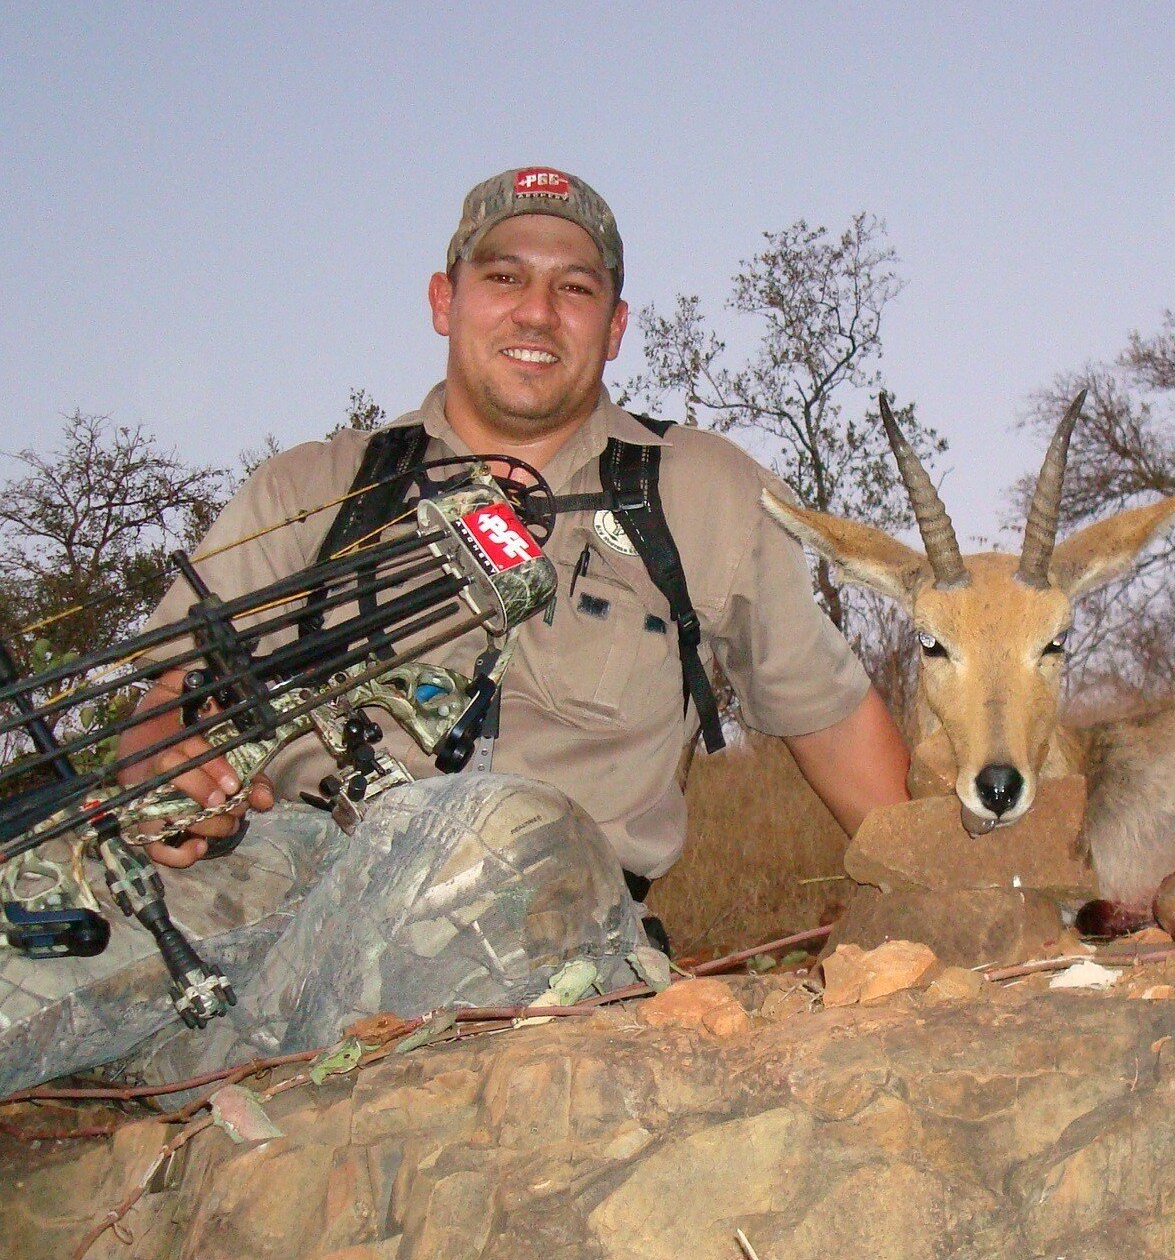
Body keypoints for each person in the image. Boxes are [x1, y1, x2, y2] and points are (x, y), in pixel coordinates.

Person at [0, 166, 910, 1096]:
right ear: (447, 301)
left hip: (537, 903)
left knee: (501, 830)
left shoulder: (701, 488)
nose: (536, 313)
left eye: (574, 287)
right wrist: (168, 763)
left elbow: (824, 711)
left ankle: (211, 1075)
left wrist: (932, 889)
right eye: (504, 278)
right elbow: (170, 693)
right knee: (41, 886)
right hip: (292, 880)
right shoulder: (312, 485)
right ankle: (209, 1062)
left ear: (615, 324)